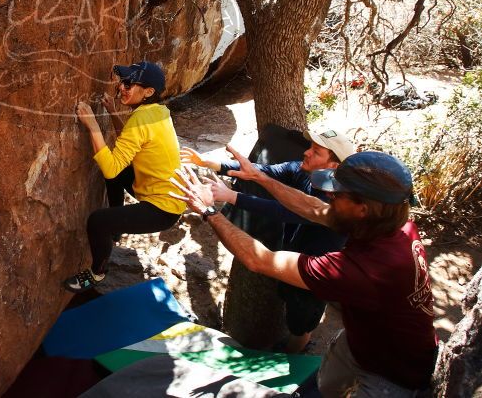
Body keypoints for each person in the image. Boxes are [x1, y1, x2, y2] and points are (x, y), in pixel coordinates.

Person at [171, 147, 438, 397]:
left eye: (338, 193)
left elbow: (260, 260)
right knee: (321, 387)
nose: (329, 196)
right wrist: (260, 177)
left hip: (393, 373)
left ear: (362, 209)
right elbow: (314, 208)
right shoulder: (393, 224)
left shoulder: (363, 270)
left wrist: (209, 211)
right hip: (360, 342)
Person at [181, 129, 355, 352]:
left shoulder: (336, 201)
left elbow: (284, 211)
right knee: (289, 299)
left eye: (316, 152)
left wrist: (229, 196)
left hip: (315, 270)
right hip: (293, 255)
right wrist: (210, 163)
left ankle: (296, 352)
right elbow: (264, 171)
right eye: (310, 147)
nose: (307, 152)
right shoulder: (304, 171)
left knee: (301, 318)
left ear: (333, 166)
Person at [63, 61, 186, 293]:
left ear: (148, 92)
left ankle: (97, 274)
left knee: (97, 221)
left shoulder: (142, 118)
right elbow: (133, 141)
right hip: (166, 194)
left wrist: (93, 125)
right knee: (118, 170)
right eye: (122, 82)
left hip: (163, 209)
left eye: (129, 84)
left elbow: (110, 168)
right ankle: (116, 228)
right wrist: (111, 112)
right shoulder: (158, 112)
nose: (122, 87)